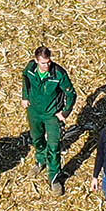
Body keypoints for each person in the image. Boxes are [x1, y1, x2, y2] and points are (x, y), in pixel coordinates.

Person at [21, 46, 77, 194]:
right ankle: (41, 160)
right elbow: (24, 78)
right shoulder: (31, 69)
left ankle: (54, 178)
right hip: (34, 111)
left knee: (54, 146)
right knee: (37, 139)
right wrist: (25, 96)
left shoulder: (58, 74)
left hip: (52, 114)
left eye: (48, 62)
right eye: (43, 63)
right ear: (36, 61)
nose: (46, 65)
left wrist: (65, 112)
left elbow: (71, 93)